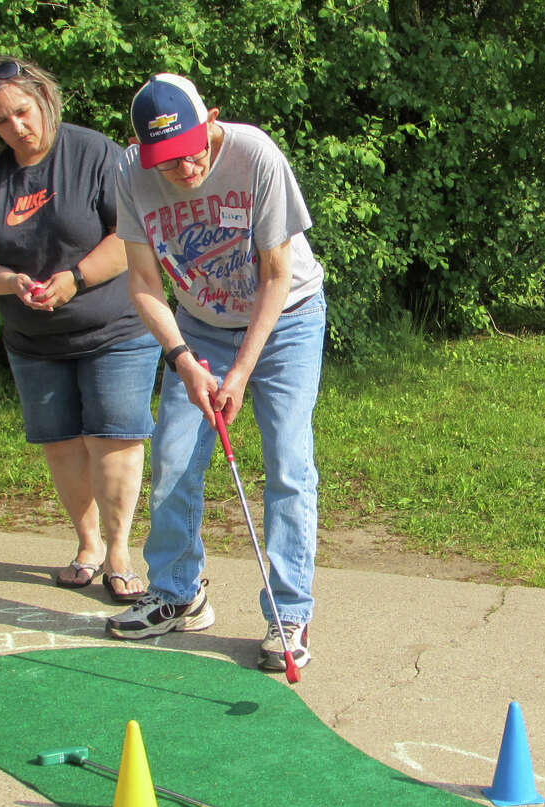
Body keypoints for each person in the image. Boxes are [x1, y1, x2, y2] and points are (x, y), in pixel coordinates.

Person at [107, 73, 327, 672]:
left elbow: (277, 275)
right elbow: (144, 281)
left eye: (191, 151)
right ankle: (178, 593)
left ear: (211, 121)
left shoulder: (256, 155)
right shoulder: (131, 175)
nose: (183, 170)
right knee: (175, 459)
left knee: (287, 462)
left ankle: (288, 611)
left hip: (287, 318)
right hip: (200, 326)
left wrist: (238, 374)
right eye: (167, 161)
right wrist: (184, 360)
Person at [0, 56, 159, 602]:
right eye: (1, 122)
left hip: (115, 329)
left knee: (114, 439)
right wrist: (8, 281)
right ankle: (88, 544)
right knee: (62, 445)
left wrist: (75, 278)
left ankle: (120, 551)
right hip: (33, 341)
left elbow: (130, 237)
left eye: (22, 112)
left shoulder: (95, 153)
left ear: (44, 97)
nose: (16, 128)